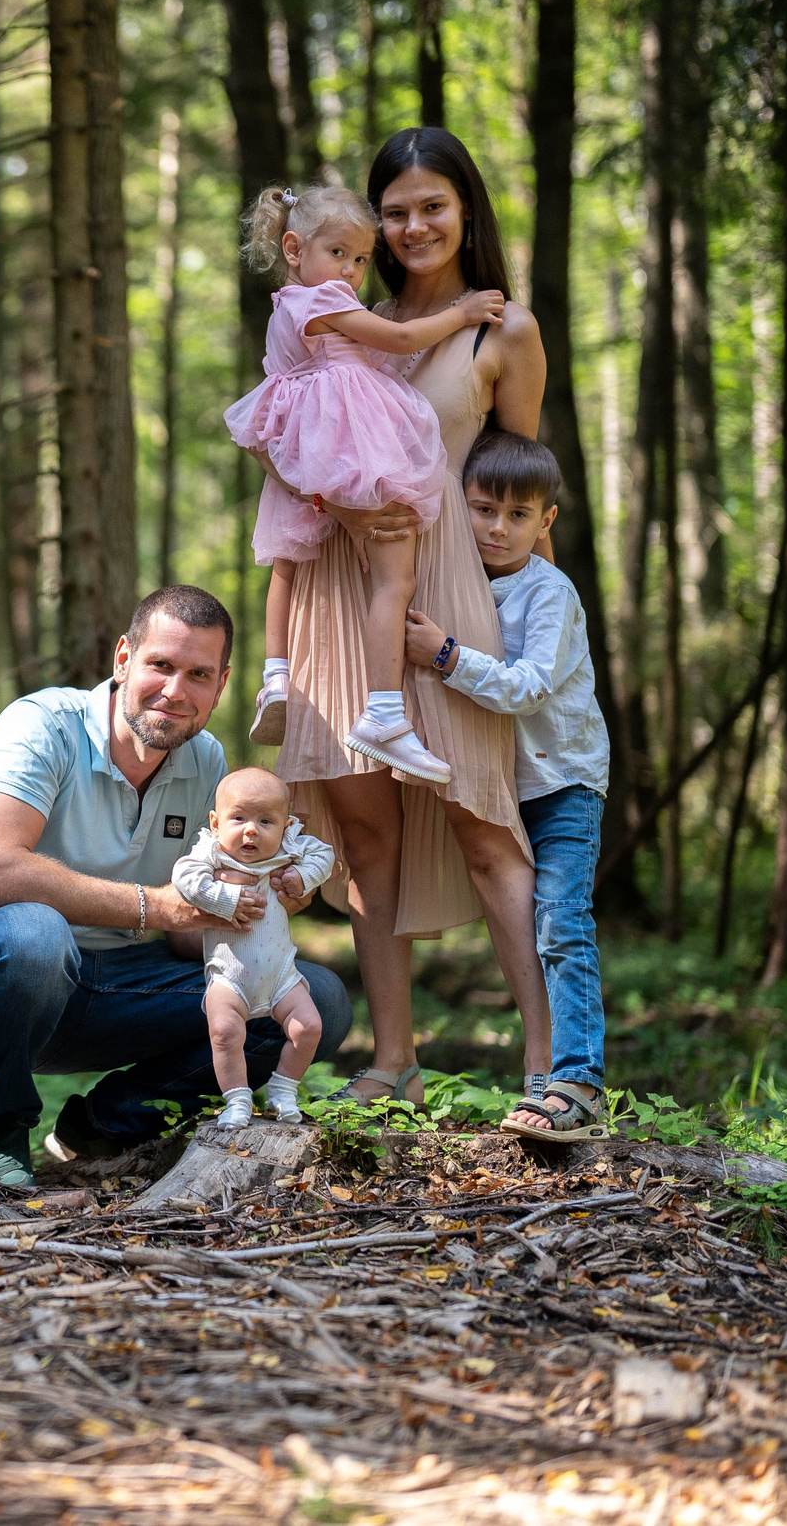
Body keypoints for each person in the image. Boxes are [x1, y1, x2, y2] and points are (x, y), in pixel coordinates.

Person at [271, 127, 550, 1109]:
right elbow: (283, 435)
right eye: (394, 211)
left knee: (486, 826)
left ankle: (549, 1070)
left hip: (445, 599)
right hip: (336, 592)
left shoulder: (499, 332)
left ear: (464, 209)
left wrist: (539, 628)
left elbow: (520, 487)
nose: (413, 224)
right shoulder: (347, 317)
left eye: (432, 204)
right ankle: (393, 1063)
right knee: (367, 837)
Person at [0, 585, 353, 1189]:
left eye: (198, 674)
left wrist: (253, 906)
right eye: (161, 666)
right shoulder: (40, 727)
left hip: (122, 986)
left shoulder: (208, 766)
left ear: (220, 687)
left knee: (315, 1000)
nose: (175, 691)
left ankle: (103, 1124)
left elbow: (182, 942)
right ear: (123, 659)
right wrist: (158, 907)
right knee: (33, 934)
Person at [225, 184, 506, 785]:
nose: (351, 272)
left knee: (287, 564)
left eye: (359, 259)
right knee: (394, 577)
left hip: (307, 453)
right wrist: (463, 313)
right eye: (339, 254)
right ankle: (383, 712)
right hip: (351, 443)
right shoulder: (322, 301)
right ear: (295, 249)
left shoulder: (287, 309)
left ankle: (276, 674)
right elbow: (401, 340)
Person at [405, 431, 613, 1141]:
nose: (498, 527)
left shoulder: (549, 591)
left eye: (518, 515)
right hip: (502, 782)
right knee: (521, 926)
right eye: (484, 508)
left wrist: (444, 654)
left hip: (562, 779)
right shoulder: (455, 583)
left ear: (546, 521)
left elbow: (526, 689)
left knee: (561, 922)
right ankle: (542, 1076)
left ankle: (579, 1081)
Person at [170, 767, 337, 1125]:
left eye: (266, 821)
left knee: (308, 1027)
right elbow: (184, 877)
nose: (251, 829)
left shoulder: (289, 847)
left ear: (287, 826)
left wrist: (303, 876)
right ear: (216, 823)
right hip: (229, 976)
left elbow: (325, 855)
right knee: (225, 1032)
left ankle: (283, 1088)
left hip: (281, 976)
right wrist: (224, 899)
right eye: (239, 818)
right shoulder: (211, 852)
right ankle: (237, 1099)